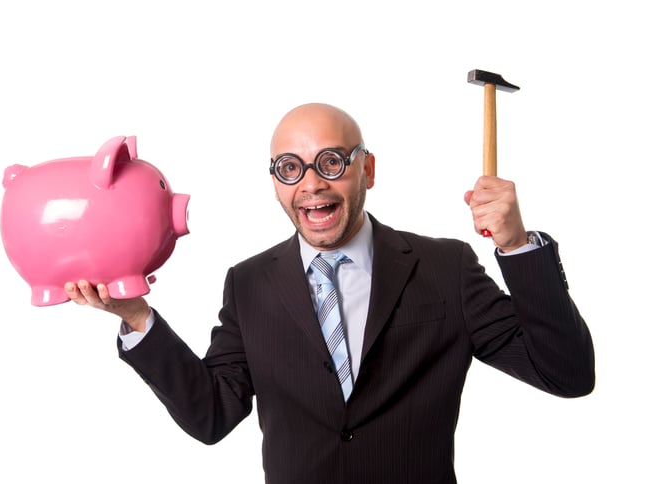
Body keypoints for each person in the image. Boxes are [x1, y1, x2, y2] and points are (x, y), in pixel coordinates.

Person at [65, 102, 595, 484]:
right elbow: (212, 416)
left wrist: (518, 246)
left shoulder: (444, 268)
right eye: (291, 169)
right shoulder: (248, 284)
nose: (312, 183)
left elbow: (566, 374)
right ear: (275, 182)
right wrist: (136, 317)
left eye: (332, 163)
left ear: (366, 169)